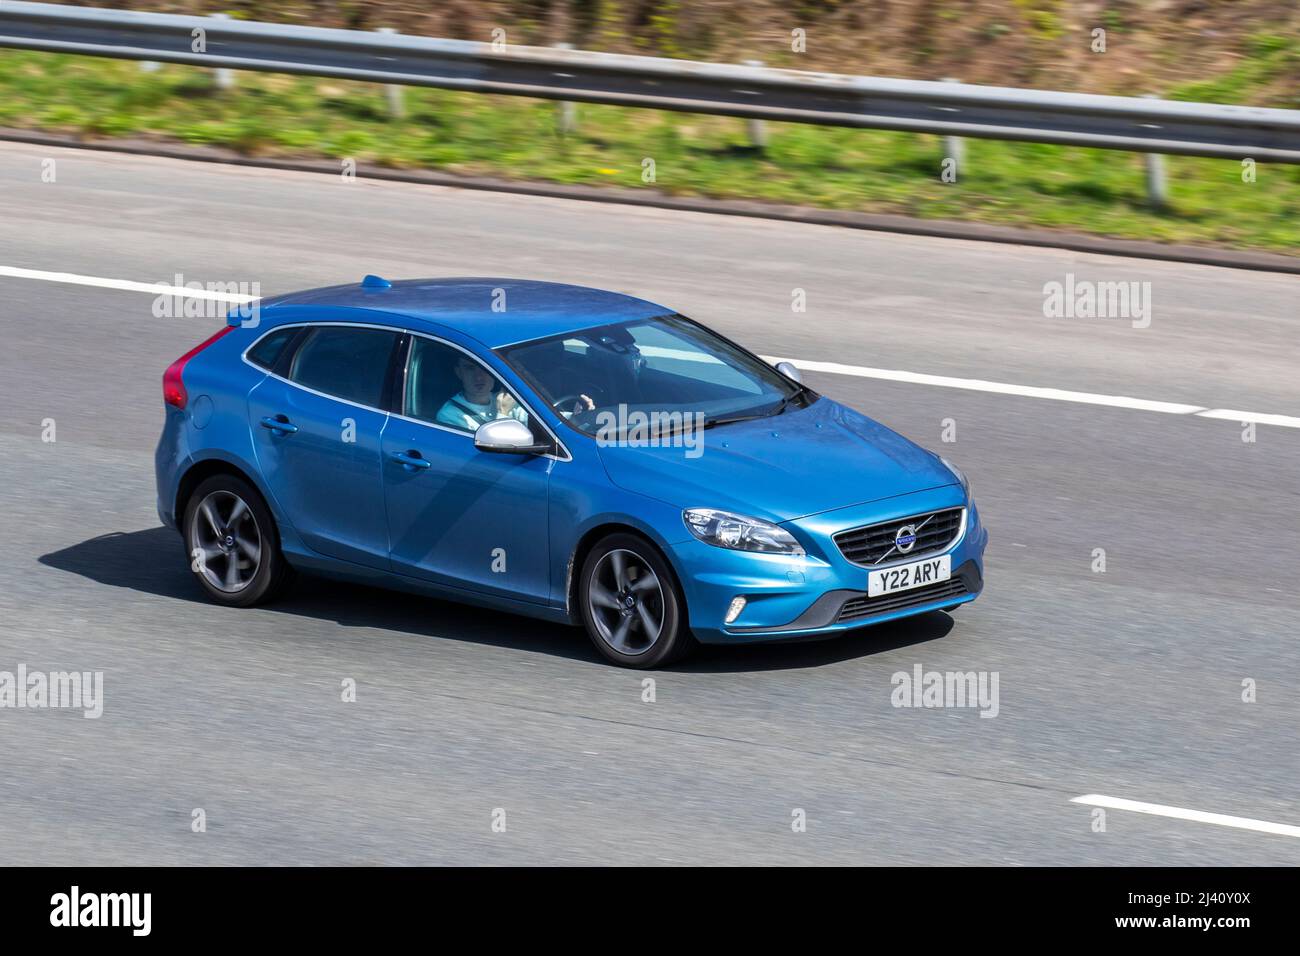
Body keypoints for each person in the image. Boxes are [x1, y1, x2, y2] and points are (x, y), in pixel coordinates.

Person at [436, 356, 529, 431]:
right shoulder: (449, 415)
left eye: (485, 368)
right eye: (470, 368)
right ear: (459, 372)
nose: (479, 377)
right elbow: (492, 450)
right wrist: (503, 413)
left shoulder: (507, 399)